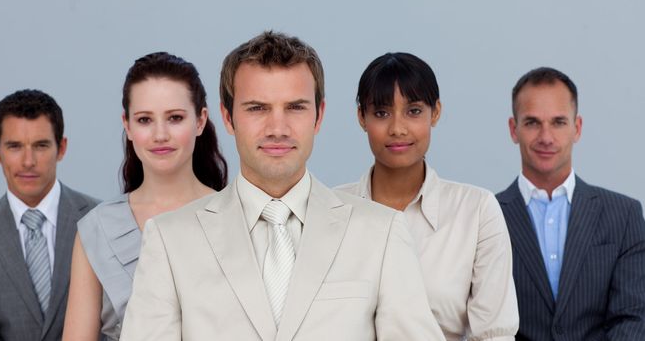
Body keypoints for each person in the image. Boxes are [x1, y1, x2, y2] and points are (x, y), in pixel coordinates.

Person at [119, 31, 444, 341]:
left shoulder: (381, 233)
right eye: (257, 108)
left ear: (318, 116)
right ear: (228, 118)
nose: (277, 128)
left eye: (295, 107)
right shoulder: (169, 239)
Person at [337, 52, 519, 340]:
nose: (397, 128)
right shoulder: (330, 211)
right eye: (381, 113)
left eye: (414, 111)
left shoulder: (477, 211)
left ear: (436, 112)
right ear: (361, 117)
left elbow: (495, 335)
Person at [62, 52, 228, 341]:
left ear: (200, 120)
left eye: (175, 118)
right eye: (144, 120)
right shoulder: (97, 229)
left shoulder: (237, 217)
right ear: (127, 125)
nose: (160, 134)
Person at [497, 67, 645, 340]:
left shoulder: (624, 215)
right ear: (513, 129)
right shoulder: (486, 216)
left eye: (558, 122)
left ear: (576, 128)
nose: (546, 137)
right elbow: (485, 323)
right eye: (532, 122)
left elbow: (633, 317)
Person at [0, 89, 98, 341]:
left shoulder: (99, 221)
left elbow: (122, 325)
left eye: (41, 146)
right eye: (14, 146)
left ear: (61, 148)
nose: (28, 161)